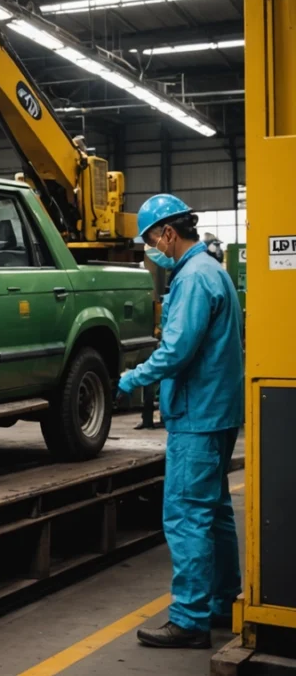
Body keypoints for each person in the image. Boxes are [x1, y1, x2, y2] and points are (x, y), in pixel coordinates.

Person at [118, 194, 244, 649]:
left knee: (188, 515)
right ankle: (223, 602)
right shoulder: (213, 270)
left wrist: (131, 378)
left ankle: (190, 620)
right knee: (216, 513)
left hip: (197, 415)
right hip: (219, 411)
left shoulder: (192, 278)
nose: (152, 249)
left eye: (151, 240)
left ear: (169, 233)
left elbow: (176, 351)